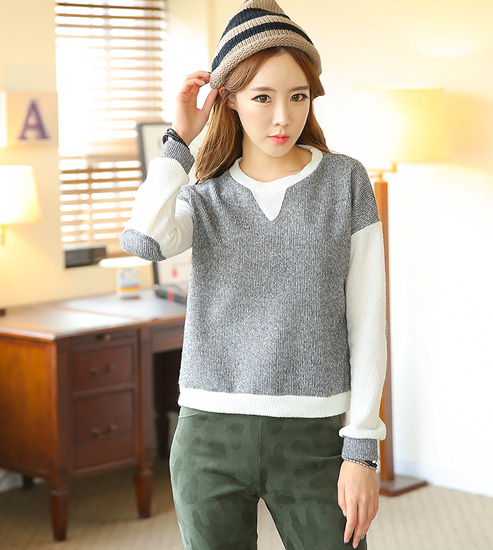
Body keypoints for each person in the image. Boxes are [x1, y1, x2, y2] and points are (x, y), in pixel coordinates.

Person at [120, 1, 388, 548]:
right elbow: (143, 239)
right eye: (263, 97)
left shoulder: (346, 182)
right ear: (230, 100)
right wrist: (179, 139)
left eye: (298, 96)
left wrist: (362, 449)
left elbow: (368, 323)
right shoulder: (205, 196)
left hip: (316, 436)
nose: (282, 117)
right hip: (209, 437)